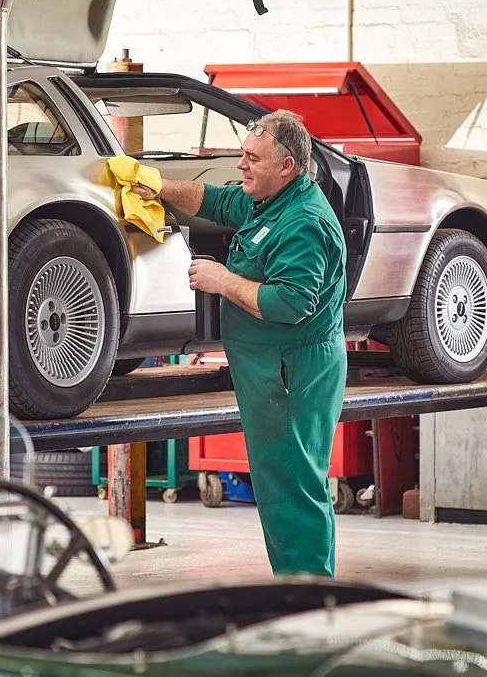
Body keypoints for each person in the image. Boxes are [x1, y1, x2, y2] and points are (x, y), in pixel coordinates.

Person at [132, 109, 347, 576]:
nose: (241, 165)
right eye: (242, 154)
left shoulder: (303, 222)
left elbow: (289, 303)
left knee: (292, 486)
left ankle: (307, 594)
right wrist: (158, 185)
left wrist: (222, 280)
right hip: (274, 369)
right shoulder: (268, 199)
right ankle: (301, 589)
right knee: (280, 481)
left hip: (292, 373)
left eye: (253, 158)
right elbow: (216, 200)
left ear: (287, 165)